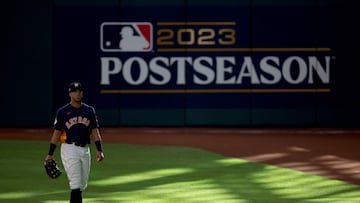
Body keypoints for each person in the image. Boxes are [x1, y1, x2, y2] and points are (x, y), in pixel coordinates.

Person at [45, 82, 104, 203]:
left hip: (85, 149)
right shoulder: (62, 112)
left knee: (82, 184)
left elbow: (95, 132)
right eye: (75, 91)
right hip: (69, 149)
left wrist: (99, 150)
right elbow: (56, 134)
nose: (78, 93)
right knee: (76, 184)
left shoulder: (89, 111)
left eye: (80, 91)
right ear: (70, 93)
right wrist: (50, 154)